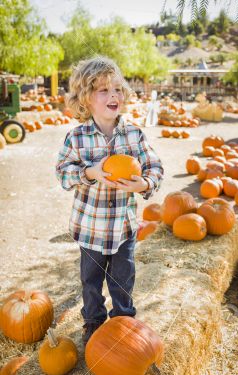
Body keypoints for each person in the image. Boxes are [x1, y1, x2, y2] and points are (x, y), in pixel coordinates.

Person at [55, 56, 163, 345]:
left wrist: (145, 183)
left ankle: (124, 319)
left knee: (122, 279)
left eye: (117, 89)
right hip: (90, 227)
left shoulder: (134, 135)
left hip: (123, 228)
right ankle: (93, 321)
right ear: (86, 99)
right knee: (90, 282)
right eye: (103, 90)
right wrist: (90, 172)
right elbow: (64, 174)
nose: (113, 95)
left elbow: (155, 167)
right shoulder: (77, 138)